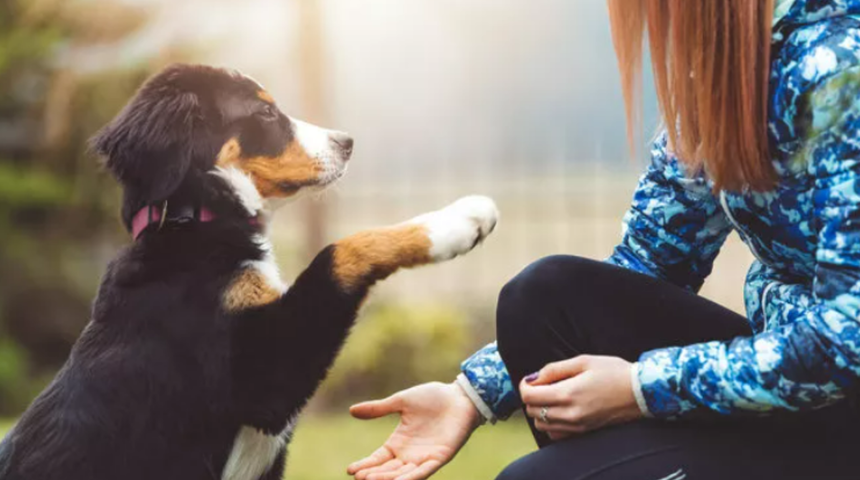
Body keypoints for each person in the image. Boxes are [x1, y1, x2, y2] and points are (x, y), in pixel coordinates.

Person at [346, 1, 860, 479]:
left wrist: (641, 388)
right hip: (801, 397)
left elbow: (845, 339)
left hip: (843, 401)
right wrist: (471, 395)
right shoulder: (735, 68)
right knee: (544, 296)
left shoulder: (843, 66)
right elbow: (650, 260)